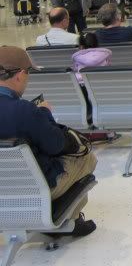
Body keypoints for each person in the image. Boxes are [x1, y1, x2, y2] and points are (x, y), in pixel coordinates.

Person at [0, 46, 98, 236]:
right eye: (28, 73)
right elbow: (56, 146)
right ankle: (69, 221)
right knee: (87, 158)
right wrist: (44, 113)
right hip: (30, 188)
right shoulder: (24, 110)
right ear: (20, 75)